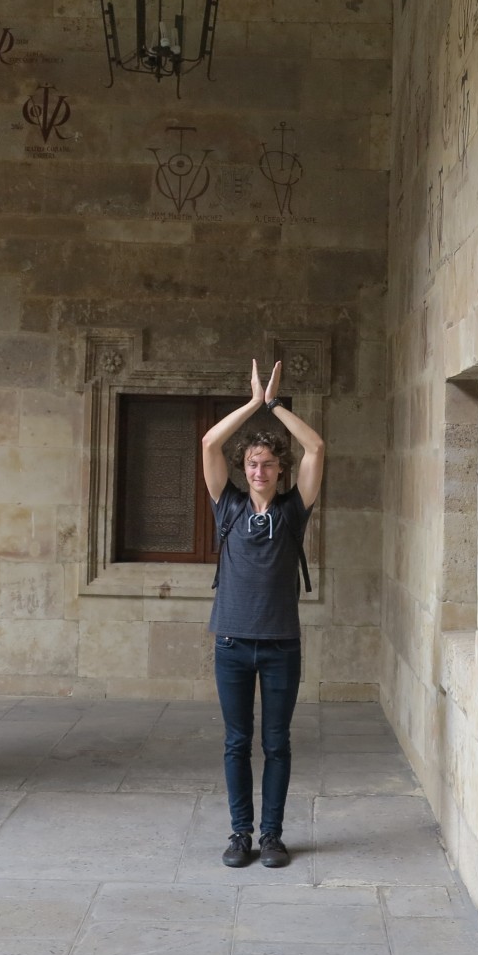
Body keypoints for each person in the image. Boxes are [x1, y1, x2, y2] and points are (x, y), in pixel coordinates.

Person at [200, 359, 324, 869]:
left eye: (268, 464)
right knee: (237, 743)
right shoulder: (227, 506)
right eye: (252, 463)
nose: (259, 472)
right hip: (232, 643)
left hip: (279, 646)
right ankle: (240, 835)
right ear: (243, 467)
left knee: (276, 743)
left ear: (280, 470)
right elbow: (209, 443)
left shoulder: (293, 511)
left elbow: (316, 447)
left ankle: (271, 836)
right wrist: (251, 403)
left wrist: (274, 406)